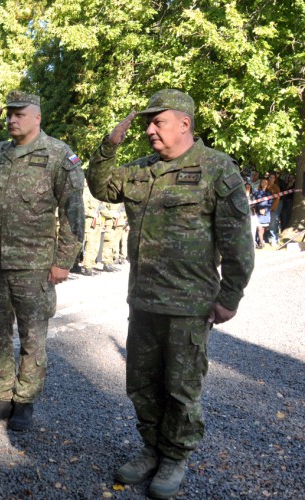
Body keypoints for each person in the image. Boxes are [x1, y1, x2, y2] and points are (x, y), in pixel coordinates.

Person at [87, 89, 254, 498]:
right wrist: (110, 144)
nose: (148, 130)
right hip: (143, 301)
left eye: (157, 122)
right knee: (141, 382)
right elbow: (100, 185)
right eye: (147, 123)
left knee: (181, 387)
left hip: (188, 304)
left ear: (185, 123)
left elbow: (237, 243)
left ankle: (175, 455)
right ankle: (151, 448)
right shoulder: (141, 170)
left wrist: (229, 296)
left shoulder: (217, 169)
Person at [0, 90, 84, 432]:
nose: (11, 119)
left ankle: (25, 401)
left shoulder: (58, 155)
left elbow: (73, 212)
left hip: (34, 265)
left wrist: (64, 261)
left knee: (32, 336)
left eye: (19, 114)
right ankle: (2, 397)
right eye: (9, 114)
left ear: (37, 117)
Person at [251, 178, 272, 248]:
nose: (264, 184)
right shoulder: (256, 192)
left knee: (264, 228)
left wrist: (265, 209)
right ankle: (261, 242)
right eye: (263, 182)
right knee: (259, 228)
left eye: (266, 183)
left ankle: (261, 239)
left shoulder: (269, 193)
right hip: (258, 212)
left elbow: (270, 203)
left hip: (266, 213)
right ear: (260, 183)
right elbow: (254, 202)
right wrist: (259, 209)